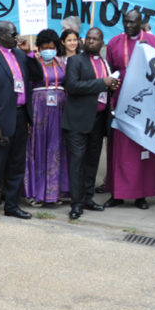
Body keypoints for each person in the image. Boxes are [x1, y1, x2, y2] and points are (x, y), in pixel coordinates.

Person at [104, 9, 155, 209]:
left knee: (142, 148)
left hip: (145, 103)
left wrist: (148, 53)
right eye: (126, 22)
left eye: (133, 22)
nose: (129, 25)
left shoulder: (153, 42)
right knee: (120, 150)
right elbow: (111, 69)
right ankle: (117, 193)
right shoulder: (114, 42)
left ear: (141, 22)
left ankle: (141, 195)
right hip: (121, 102)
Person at [0, 20, 37, 223]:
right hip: (1, 120)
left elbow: (35, 77)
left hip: (20, 116)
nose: (16, 37)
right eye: (13, 34)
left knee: (17, 164)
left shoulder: (20, 55)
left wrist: (30, 53)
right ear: (1, 36)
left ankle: (12, 205)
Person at [63, 28, 118, 219]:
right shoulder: (75, 61)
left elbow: (107, 85)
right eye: (89, 39)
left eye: (96, 39)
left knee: (92, 161)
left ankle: (88, 197)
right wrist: (103, 83)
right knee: (77, 162)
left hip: (99, 120)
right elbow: (72, 86)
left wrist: (111, 85)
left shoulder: (105, 62)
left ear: (102, 43)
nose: (92, 42)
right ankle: (76, 203)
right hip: (78, 120)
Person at [25, 28, 69, 206]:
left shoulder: (61, 63)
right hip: (39, 112)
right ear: (40, 47)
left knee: (56, 149)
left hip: (59, 111)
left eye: (51, 47)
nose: (48, 50)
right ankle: (38, 193)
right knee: (38, 149)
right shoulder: (32, 62)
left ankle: (55, 192)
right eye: (44, 47)